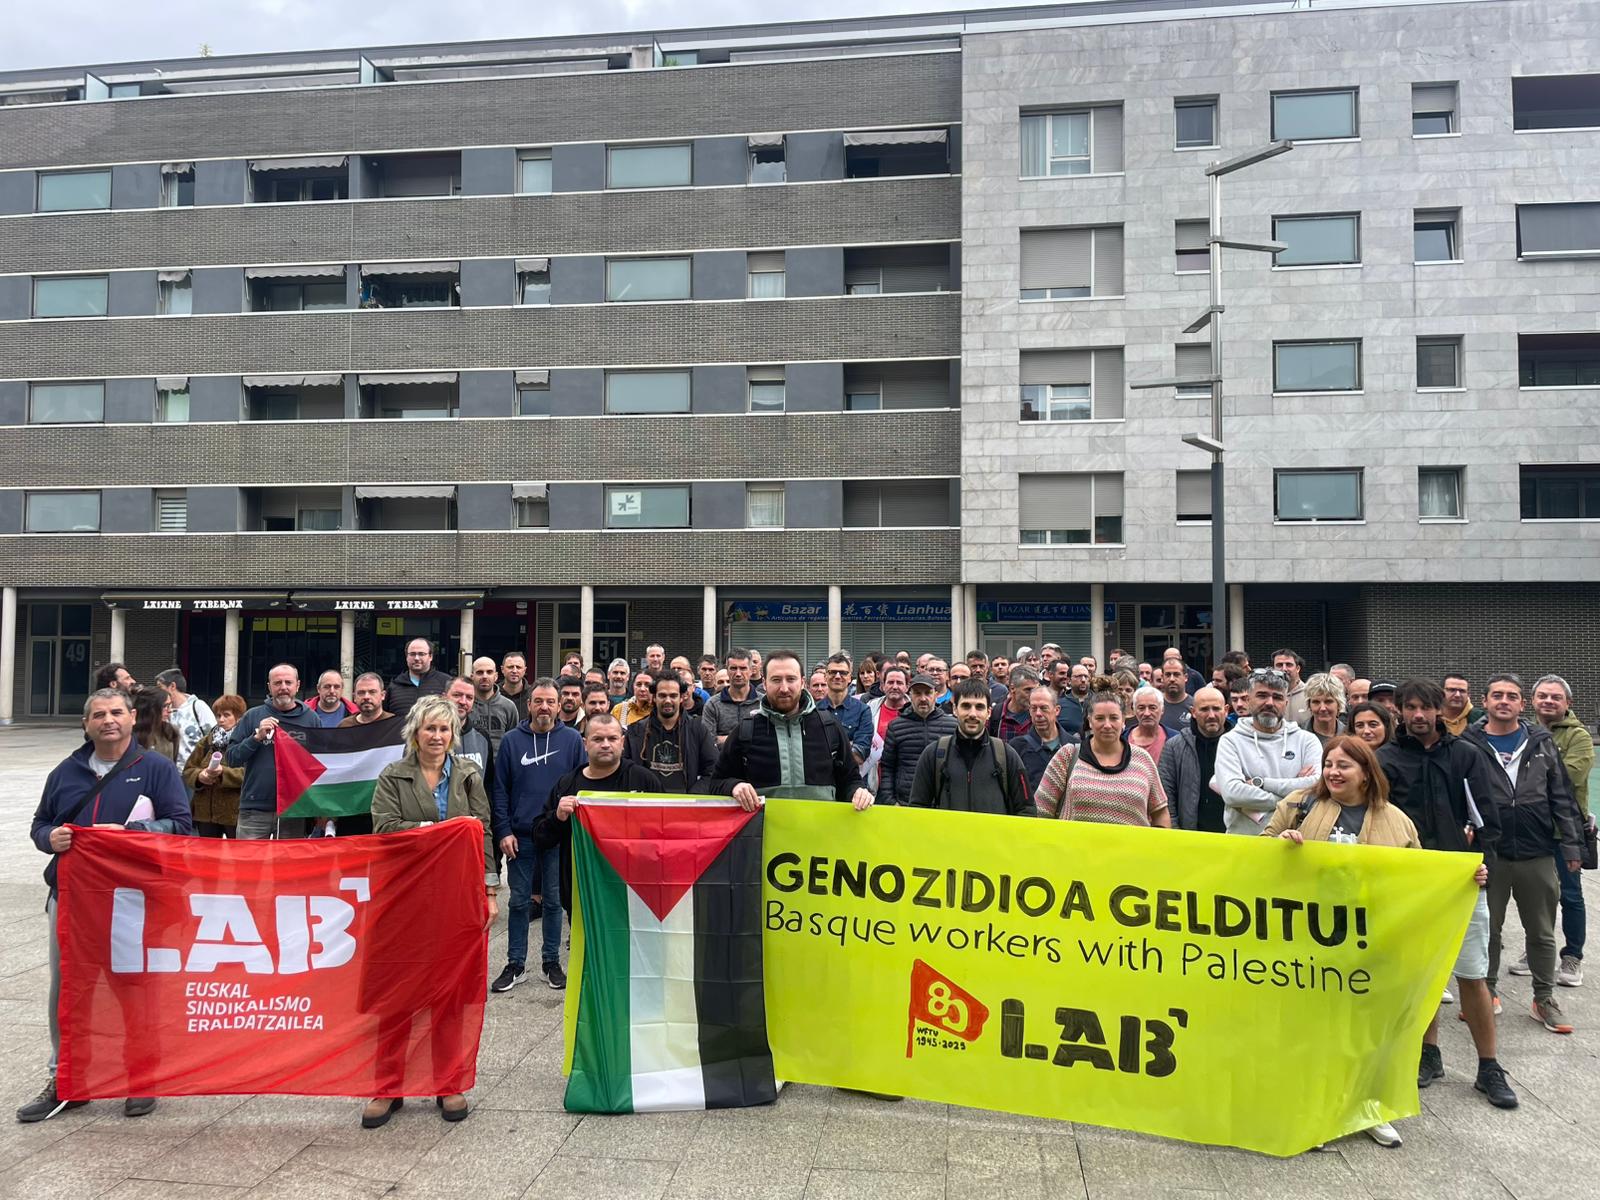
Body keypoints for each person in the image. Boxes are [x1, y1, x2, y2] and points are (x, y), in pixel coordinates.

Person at [20, 687, 191, 1123]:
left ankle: (141, 1077)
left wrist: (131, 834)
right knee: (69, 991)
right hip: (72, 900)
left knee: (133, 989)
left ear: (133, 718)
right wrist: (49, 838)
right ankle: (67, 1080)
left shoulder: (155, 768)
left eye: (116, 712)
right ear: (86, 724)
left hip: (132, 900)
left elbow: (181, 826)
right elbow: (41, 823)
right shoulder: (66, 772)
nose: (108, 720)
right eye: (98, 714)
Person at [1263, 736, 1427, 1148]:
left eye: (1344, 766)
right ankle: (1311, 1109)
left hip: (1371, 939)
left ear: (1366, 773)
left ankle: (1367, 1106)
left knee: (1365, 1029)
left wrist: (1465, 879)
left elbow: (1421, 876)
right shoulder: (1299, 805)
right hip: (1308, 934)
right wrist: (1279, 847)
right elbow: (1258, 852)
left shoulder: (1396, 821)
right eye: (1329, 764)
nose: (1333, 773)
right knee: (1311, 1026)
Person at [1377, 678, 1515, 1108]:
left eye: (1426, 707)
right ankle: (1428, 1053)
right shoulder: (1386, 759)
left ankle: (1489, 1065)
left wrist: (1483, 864)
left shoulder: (1467, 755)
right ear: (1400, 711)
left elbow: (1487, 818)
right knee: (1422, 975)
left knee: (1472, 974)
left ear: (1440, 710)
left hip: (1461, 882)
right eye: (1411, 707)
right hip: (1410, 884)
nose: (1419, 715)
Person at [365, 695, 497, 1129]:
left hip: (454, 896)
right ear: (415, 733)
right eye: (430, 729)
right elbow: (385, 829)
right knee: (395, 995)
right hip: (403, 897)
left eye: (444, 729)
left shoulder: (467, 775)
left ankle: (448, 1082)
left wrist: (489, 889)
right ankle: (387, 1086)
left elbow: (483, 832)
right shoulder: (393, 775)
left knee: (449, 992)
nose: (437, 736)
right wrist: (438, 832)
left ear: (453, 734)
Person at [1461, 674, 1584, 1033]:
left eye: (1511, 696)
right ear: (1484, 701)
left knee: (1542, 932)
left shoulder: (1541, 742)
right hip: (1489, 853)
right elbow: (1457, 792)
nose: (1504, 701)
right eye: (1497, 695)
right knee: (1488, 930)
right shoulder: (1468, 744)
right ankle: (1487, 993)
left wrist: (1572, 844)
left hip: (1537, 851)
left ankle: (1543, 998)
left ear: (1522, 704)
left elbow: (1561, 796)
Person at [492, 680, 586, 993]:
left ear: (559, 706)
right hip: (520, 836)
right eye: (538, 701)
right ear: (529, 704)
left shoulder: (572, 740)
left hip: (558, 835)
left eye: (550, 701)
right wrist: (504, 830)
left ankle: (551, 962)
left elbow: (580, 786)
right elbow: (500, 790)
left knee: (555, 901)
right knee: (519, 901)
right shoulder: (511, 741)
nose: (544, 707)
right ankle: (515, 964)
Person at [703, 649, 872, 810]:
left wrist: (857, 792)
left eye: (791, 679)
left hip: (821, 829)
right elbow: (716, 782)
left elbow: (851, 780)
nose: (784, 688)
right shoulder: (746, 731)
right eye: (776, 680)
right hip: (765, 830)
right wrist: (734, 786)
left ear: (802, 682)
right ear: (764, 683)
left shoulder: (829, 727)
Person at [536, 715, 664, 920]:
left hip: (635, 896)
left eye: (612, 738)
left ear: (622, 742)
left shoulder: (643, 781)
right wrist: (557, 817)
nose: (605, 744)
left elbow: (665, 834)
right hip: (584, 897)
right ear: (585, 744)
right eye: (597, 739)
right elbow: (540, 837)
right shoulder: (567, 785)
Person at [1034, 680, 1170, 827]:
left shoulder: (1142, 760)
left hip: (1132, 843)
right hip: (1075, 842)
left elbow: (1160, 812)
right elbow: (1041, 810)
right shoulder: (1067, 756)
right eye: (1099, 718)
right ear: (1090, 721)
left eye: (1114, 718)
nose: (1107, 725)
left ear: (1123, 720)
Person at [1533, 674, 1593, 988]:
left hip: (1564, 829)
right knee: (1536, 895)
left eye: (1555, 697)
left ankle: (1572, 955)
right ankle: (1538, 949)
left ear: (1567, 702)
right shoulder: (1524, 730)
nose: (1548, 701)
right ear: (1533, 700)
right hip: (1531, 828)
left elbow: (1569, 777)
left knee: (1570, 895)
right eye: (1543, 696)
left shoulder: (1578, 736)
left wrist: (1526, 775)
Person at [1212, 668, 1321, 835]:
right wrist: (1294, 799)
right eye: (1262, 695)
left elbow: (1315, 787)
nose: (1270, 703)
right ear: (1248, 700)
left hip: (1295, 844)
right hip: (1244, 843)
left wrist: (1261, 783)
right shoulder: (1230, 741)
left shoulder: (1306, 741)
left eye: (1277, 697)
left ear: (1286, 703)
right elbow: (1233, 793)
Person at [227, 663, 323, 840]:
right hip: (254, 809)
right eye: (277, 683)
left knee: (290, 859)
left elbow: (321, 763)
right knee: (248, 858)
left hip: (294, 810)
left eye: (288, 682)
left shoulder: (311, 719)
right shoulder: (252, 716)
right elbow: (232, 758)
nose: (283, 687)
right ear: (269, 687)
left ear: (297, 685)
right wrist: (256, 738)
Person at [907, 680, 1032, 815]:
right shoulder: (934, 754)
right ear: (955, 709)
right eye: (966, 706)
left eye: (979, 707)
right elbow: (917, 808)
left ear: (989, 712)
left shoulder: (1006, 755)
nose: (973, 714)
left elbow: (1026, 809)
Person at [624, 671, 719, 790]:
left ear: (681, 697)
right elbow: (625, 770)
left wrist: (693, 796)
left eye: (673, 696)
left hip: (686, 800)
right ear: (654, 697)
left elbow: (713, 770)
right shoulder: (635, 731)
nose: (668, 700)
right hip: (647, 800)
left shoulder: (698, 729)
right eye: (662, 695)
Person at [879, 673, 959, 806]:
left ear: (936, 694)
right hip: (905, 803)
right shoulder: (896, 726)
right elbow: (887, 767)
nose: (923, 698)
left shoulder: (953, 726)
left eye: (928, 693)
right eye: (917, 693)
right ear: (910, 695)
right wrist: (890, 801)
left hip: (943, 804)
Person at [1159, 686, 1229, 832]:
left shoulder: (1241, 745)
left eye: (1216, 709)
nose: (1211, 715)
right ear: (1193, 712)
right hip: (1190, 835)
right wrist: (1175, 833)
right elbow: (1166, 795)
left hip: (1234, 835)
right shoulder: (1174, 747)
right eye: (1204, 709)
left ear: (1226, 710)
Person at [182, 694, 246, 838]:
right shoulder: (207, 741)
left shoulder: (246, 742)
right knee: (205, 851)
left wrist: (223, 773)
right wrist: (200, 776)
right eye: (218, 715)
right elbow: (188, 770)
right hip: (205, 815)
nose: (221, 719)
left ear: (238, 717)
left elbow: (250, 774)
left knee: (237, 851)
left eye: (226, 715)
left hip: (234, 815)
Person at [1010, 684, 1078, 804]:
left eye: (1044, 708)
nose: (1038, 714)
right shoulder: (1017, 747)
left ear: (1057, 710)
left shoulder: (1075, 747)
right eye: (1033, 708)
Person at [816, 653, 873, 765]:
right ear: (825, 676)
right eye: (833, 672)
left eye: (843, 673)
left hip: (852, 776)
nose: (837, 676)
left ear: (849, 678)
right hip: (821, 775)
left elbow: (860, 755)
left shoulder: (863, 711)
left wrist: (825, 750)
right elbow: (810, 751)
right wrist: (849, 745)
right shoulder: (814, 710)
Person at [702, 649, 763, 744]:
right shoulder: (712, 704)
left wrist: (723, 739)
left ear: (751, 671)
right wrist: (743, 738)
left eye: (743, 668)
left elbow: (767, 738)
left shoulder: (763, 702)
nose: (738, 674)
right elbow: (707, 741)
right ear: (727, 670)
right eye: (733, 668)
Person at [154, 668, 216, 763]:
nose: (158, 692)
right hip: (171, 769)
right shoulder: (163, 711)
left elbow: (214, 737)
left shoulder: (198, 706)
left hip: (196, 769)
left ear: (172, 686)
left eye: (160, 687)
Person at [388, 638, 453, 721]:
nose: (416, 658)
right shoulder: (394, 685)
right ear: (406, 657)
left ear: (430, 656)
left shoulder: (446, 682)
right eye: (412, 654)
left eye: (421, 654)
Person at [446, 677, 493, 786]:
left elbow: (489, 783)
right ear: (444, 697)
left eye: (469, 697)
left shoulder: (483, 737)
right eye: (457, 695)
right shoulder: (432, 737)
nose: (463, 702)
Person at [471, 658, 520, 754]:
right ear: (472, 676)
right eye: (480, 672)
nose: (484, 676)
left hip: (500, 762)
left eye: (489, 672)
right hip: (470, 762)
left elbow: (514, 741)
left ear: (496, 676)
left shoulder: (508, 706)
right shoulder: (465, 706)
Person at [989, 665, 1038, 742]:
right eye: (1028, 690)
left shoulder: (1040, 714)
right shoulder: (996, 714)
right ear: (1012, 688)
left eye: (1036, 690)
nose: (1033, 694)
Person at [131, 686, 180, 761]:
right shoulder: (130, 735)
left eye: (170, 705)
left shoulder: (171, 731)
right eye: (165, 706)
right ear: (150, 708)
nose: (169, 710)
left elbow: (173, 761)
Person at [869, 664, 911, 746]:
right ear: (883, 686)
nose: (894, 687)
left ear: (907, 687)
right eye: (890, 682)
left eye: (899, 683)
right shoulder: (870, 708)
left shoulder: (915, 710)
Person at [1126, 686, 1168, 764]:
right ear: (1134, 710)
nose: (1147, 713)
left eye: (1152, 708)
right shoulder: (1122, 740)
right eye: (1141, 708)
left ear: (1162, 710)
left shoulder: (1174, 741)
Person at [1304, 672, 1347, 747]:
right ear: (1309, 705)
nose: (1322, 708)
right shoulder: (1298, 736)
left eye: (1328, 701)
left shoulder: (1349, 736)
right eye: (1316, 702)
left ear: (1339, 704)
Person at [1272, 649, 1310, 726]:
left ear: (1298, 668)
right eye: (1279, 665)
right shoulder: (1268, 696)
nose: (1284, 669)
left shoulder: (1310, 694)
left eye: (1289, 665)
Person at [1441, 672, 1485, 737]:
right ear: (1440, 692)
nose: (1457, 695)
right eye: (1452, 690)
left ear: (1468, 695)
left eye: (1462, 691)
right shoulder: (1432, 717)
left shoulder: (1480, 718)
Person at [1157, 660, 1193, 734]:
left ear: (1185, 677)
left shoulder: (1194, 706)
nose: (1172, 679)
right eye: (1168, 675)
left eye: (1176, 674)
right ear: (1162, 678)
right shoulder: (1154, 705)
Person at [1061, 664, 1091, 737]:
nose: (1083, 680)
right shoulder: (1059, 705)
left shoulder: (1098, 702)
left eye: (1086, 676)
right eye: (1079, 676)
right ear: (1069, 680)